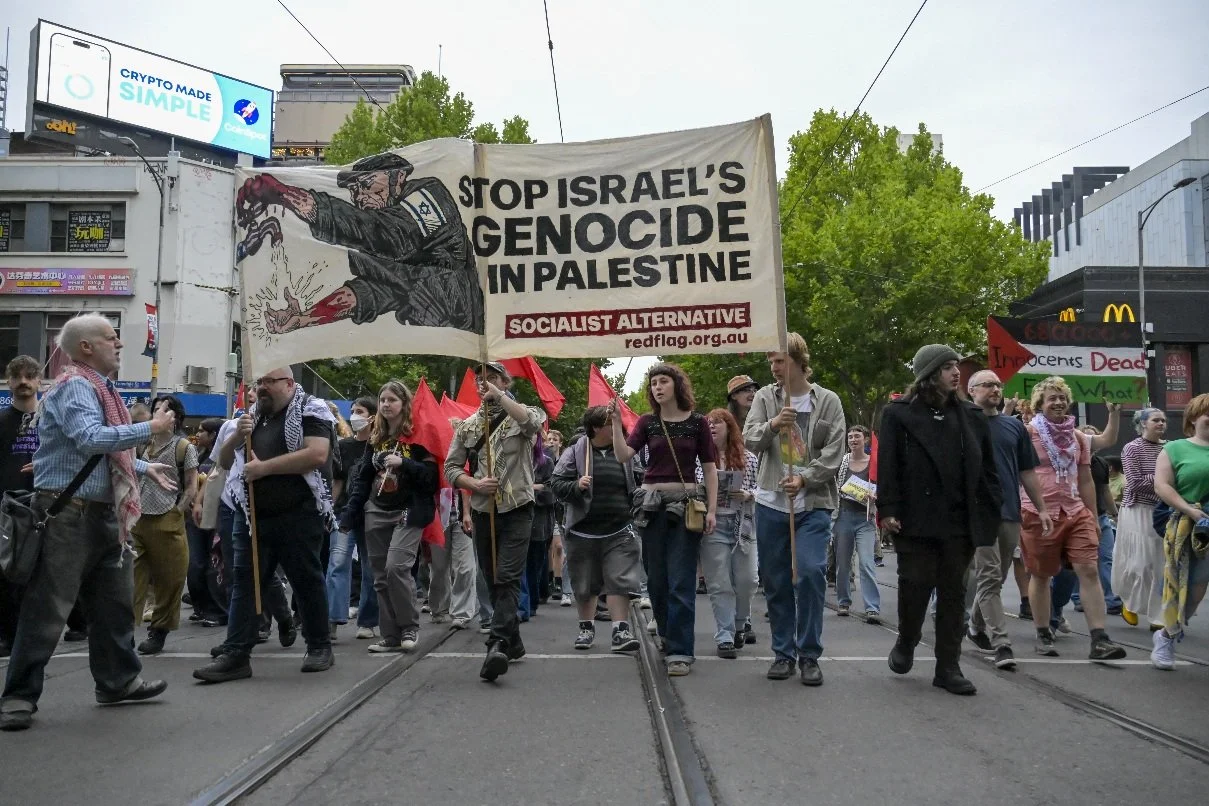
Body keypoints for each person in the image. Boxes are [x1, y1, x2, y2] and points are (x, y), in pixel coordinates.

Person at [1, 314, 176, 731]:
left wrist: (143, 466)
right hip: (69, 514)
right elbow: (90, 438)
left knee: (114, 606)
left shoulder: (98, 387)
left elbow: (100, 455)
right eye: (111, 337)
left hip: (100, 513)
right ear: (86, 347)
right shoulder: (76, 386)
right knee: (47, 608)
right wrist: (150, 427)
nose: (119, 344)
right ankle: (18, 696)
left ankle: (118, 682)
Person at [192, 367, 336, 683]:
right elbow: (225, 462)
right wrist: (235, 436)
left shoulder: (311, 408)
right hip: (252, 514)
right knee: (244, 582)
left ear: (289, 383)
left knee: (305, 579)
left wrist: (264, 469)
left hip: (298, 513)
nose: (262, 388)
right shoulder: (252, 415)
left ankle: (319, 645)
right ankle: (236, 654)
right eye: (260, 382)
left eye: (269, 382)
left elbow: (316, 454)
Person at [236, 153, 485, 335]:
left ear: (398, 177)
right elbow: (367, 294)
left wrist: (284, 194)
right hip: (433, 336)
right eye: (354, 190)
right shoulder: (390, 257)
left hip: (462, 334)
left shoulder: (430, 195)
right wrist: (304, 319)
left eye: (367, 184)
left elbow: (386, 232)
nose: (360, 197)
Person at [877, 345, 1002, 696]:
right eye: (947, 367)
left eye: (955, 366)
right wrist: (888, 509)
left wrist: (992, 508)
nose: (955, 372)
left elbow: (988, 471)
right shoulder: (898, 414)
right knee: (914, 585)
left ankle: (948, 667)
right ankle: (907, 638)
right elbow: (888, 465)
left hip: (959, 520)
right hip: (915, 518)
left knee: (953, 593)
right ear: (929, 373)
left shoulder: (972, 415)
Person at [744, 335, 845, 686]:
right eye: (771, 362)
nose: (774, 368)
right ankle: (783, 653)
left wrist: (805, 479)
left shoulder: (828, 400)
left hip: (813, 504)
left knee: (811, 572)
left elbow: (834, 451)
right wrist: (773, 424)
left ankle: (809, 654)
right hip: (771, 502)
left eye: (780, 361)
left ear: (799, 360)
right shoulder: (764, 397)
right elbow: (750, 439)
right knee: (775, 581)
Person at [610, 365, 717, 676]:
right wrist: (616, 424)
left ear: (677, 385)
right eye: (653, 383)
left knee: (681, 579)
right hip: (651, 507)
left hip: (686, 506)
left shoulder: (698, 423)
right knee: (656, 579)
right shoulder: (647, 422)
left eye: (663, 381)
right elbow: (622, 456)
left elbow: (709, 469)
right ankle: (668, 633)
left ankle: (681, 651)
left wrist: (711, 509)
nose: (657, 387)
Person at [445, 362, 546, 681]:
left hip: (517, 507)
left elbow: (532, 424)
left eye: (491, 378)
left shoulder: (524, 413)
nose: (484, 383)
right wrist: (473, 484)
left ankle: (497, 643)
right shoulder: (468, 426)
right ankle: (513, 642)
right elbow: (451, 467)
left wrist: (500, 398)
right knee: (491, 579)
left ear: (505, 382)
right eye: (480, 379)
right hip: (483, 509)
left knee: (507, 576)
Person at [1017, 376, 1126, 660]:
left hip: (1075, 511)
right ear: (1039, 404)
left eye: (1063, 398)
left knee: (1088, 570)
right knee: (1041, 575)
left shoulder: (1076, 436)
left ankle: (1099, 639)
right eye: (1052, 398)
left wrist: (1092, 515)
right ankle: (1043, 632)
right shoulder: (1028, 432)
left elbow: (1086, 477)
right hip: (1039, 512)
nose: (1059, 402)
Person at [339, 381, 439, 653]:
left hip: (409, 511)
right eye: (382, 399)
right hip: (376, 510)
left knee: (397, 567)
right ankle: (391, 635)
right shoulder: (376, 439)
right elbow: (362, 480)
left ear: (404, 404)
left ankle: (409, 627)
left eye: (392, 399)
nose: (385, 404)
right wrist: (349, 515)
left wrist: (404, 462)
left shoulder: (419, 436)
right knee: (380, 577)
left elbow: (431, 479)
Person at [964, 370, 1049, 671]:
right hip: (976, 511)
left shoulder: (1015, 427)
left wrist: (1041, 508)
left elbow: (1027, 471)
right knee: (988, 575)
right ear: (972, 390)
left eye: (998, 385)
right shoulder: (963, 423)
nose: (995, 389)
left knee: (997, 577)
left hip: (1010, 511)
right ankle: (1002, 642)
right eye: (987, 384)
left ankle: (975, 627)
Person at [551, 406, 644, 652]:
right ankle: (586, 628)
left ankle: (620, 631)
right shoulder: (575, 451)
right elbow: (556, 483)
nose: (616, 427)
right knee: (584, 583)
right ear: (595, 428)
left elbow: (640, 479)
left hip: (620, 529)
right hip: (583, 531)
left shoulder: (625, 450)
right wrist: (576, 486)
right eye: (610, 423)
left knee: (619, 580)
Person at [132, 395, 200, 655]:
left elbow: (192, 485)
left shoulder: (183, 447)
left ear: (175, 418)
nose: (158, 412)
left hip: (167, 517)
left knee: (170, 579)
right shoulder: (142, 444)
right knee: (130, 577)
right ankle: (124, 630)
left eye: (164, 409)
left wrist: (178, 510)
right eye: (155, 409)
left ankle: (159, 630)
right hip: (137, 518)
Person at [1150, 393, 1209, 670]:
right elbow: (1162, 485)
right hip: (1191, 526)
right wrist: (1190, 510)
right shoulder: (1175, 449)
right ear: (1194, 418)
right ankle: (1166, 635)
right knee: (1191, 589)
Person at [698, 409, 759, 657]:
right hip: (712, 525)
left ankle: (740, 623)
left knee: (748, 580)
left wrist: (748, 494)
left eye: (717, 423)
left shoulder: (749, 458)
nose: (712, 427)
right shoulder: (700, 458)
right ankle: (725, 635)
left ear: (729, 427)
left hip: (743, 524)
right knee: (719, 582)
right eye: (709, 424)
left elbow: (763, 489)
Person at [328, 396, 380, 639]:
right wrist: (330, 508)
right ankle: (332, 619)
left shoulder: (379, 445)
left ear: (372, 417)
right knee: (337, 563)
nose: (355, 416)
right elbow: (338, 481)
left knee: (370, 569)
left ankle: (367, 622)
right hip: (343, 513)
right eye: (353, 411)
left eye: (360, 411)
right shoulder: (344, 446)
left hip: (371, 514)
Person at [0, 356, 41, 659]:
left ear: (39, 380)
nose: (24, 381)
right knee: (7, 572)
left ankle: (70, 624)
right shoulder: (1, 421)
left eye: (30, 376)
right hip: (8, 510)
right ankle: (8, 634)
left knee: (48, 573)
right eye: (17, 376)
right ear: (9, 382)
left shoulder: (52, 420)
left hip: (48, 505)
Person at [1112, 408, 1167, 630]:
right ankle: (1129, 602)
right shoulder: (1132, 448)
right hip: (1137, 510)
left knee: (1161, 565)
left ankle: (1158, 617)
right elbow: (1134, 483)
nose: (1161, 423)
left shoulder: (1169, 447)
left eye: (1163, 420)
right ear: (1143, 423)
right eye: (1156, 420)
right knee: (1140, 563)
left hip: (1163, 509)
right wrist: (1163, 479)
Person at [833, 425, 881, 623]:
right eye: (850, 437)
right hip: (843, 516)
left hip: (865, 518)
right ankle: (843, 602)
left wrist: (875, 496)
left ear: (866, 439)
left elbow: (883, 486)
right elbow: (832, 484)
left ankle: (872, 608)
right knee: (843, 563)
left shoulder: (874, 462)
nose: (853, 439)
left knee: (867, 562)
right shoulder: (842, 462)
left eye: (857, 436)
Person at [186, 418, 225, 627]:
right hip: (195, 517)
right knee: (195, 564)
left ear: (213, 435)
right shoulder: (197, 455)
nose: (198, 434)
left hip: (216, 516)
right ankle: (200, 606)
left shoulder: (222, 457)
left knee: (213, 564)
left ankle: (217, 610)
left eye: (203, 431)